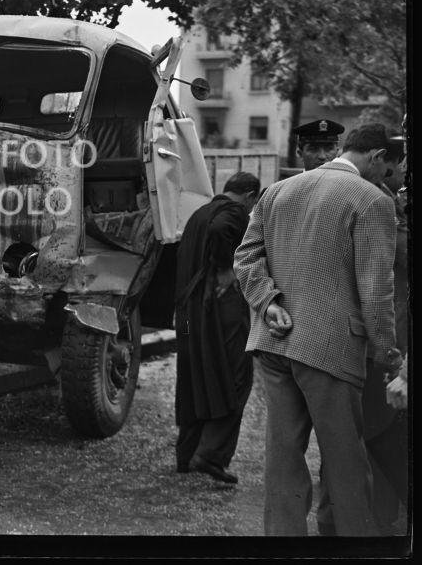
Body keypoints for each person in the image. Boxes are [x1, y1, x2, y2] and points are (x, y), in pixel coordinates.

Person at [234, 122, 402, 536]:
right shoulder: (371, 201)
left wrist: (267, 301)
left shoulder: (277, 191)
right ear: (377, 157)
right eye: (389, 166)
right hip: (331, 348)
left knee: (283, 459)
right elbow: (376, 289)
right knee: (345, 461)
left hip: (275, 342)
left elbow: (245, 257)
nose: (391, 176)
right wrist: (389, 354)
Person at [174, 171, 261, 484]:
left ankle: (186, 456)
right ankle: (210, 455)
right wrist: (226, 270)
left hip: (191, 313)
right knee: (237, 379)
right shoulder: (234, 213)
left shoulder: (199, 212)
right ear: (250, 195)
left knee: (197, 379)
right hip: (219, 310)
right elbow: (223, 229)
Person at [358, 134, 409, 533]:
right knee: (380, 425)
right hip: (390, 332)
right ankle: (382, 517)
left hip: (397, 330)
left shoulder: (389, 200)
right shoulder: (378, 201)